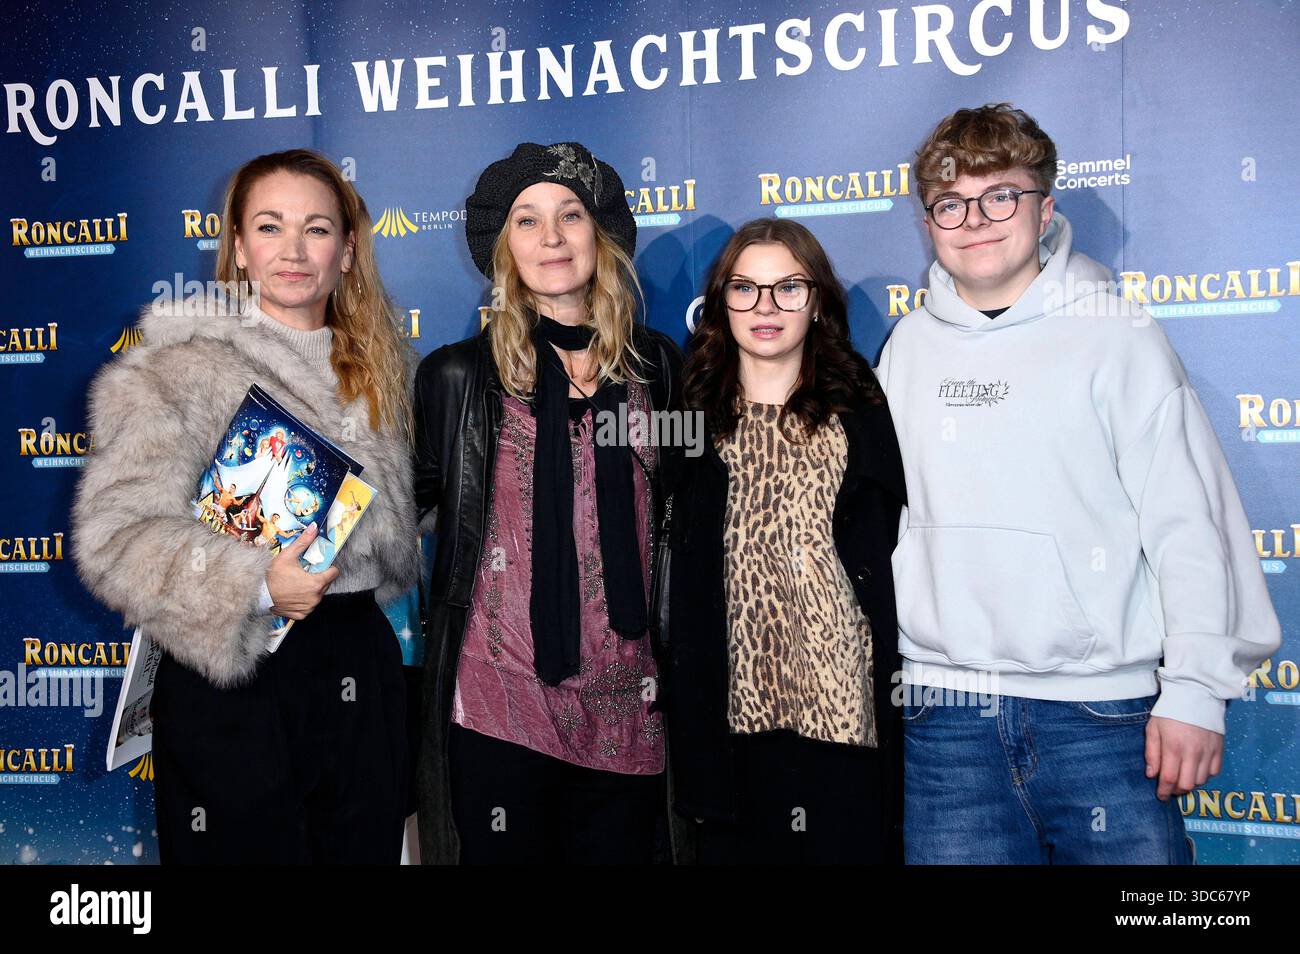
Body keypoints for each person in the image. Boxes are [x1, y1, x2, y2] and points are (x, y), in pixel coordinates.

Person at [875, 103, 1281, 864]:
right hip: (944, 717)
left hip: (1103, 716)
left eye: (1002, 196)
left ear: (1045, 206)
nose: (976, 220)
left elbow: (1188, 523)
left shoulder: (1117, 334)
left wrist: (1196, 691)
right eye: (951, 204)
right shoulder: (906, 350)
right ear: (929, 222)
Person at [71, 148, 419, 864]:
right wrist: (258, 584)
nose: (294, 250)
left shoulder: (394, 373)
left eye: (317, 229)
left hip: (358, 666)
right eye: (270, 226)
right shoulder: (173, 369)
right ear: (237, 245)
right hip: (234, 676)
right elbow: (116, 541)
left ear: (349, 250)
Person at [412, 141, 682, 864]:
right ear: (505, 248)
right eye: (527, 221)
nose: (552, 238)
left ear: (602, 233)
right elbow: (390, 517)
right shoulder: (457, 377)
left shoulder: (656, 368)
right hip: (502, 713)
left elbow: (686, 518)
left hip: (631, 708)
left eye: (570, 215)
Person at [662, 218, 905, 864]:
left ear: (817, 300)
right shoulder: (688, 419)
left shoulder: (864, 413)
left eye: (787, 289)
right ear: (721, 303)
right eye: (746, 289)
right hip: (730, 737)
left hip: (846, 733)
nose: (765, 307)